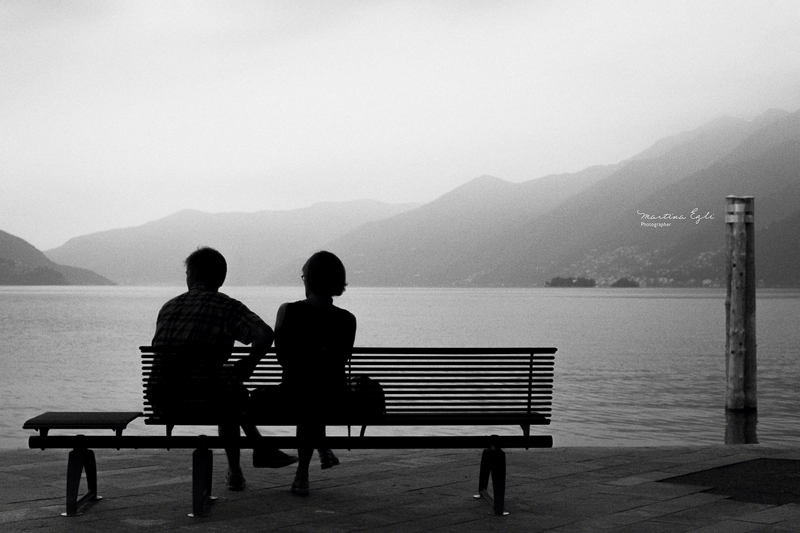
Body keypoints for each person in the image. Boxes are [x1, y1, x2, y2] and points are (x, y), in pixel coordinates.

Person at [151, 247, 297, 491]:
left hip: (163, 400)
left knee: (226, 389)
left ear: (194, 274)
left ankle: (241, 470)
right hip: (206, 400)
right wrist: (250, 362)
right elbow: (264, 335)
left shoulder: (169, 306)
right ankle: (256, 455)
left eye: (187, 272)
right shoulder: (226, 306)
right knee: (229, 392)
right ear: (220, 277)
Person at [275, 251, 357, 496]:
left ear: (308, 280)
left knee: (306, 391)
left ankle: (303, 473)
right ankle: (319, 450)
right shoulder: (347, 319)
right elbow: (339, 361)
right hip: (334, 398)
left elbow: (283, 359)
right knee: (318, 388)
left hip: (295, 395)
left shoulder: (287, 310)